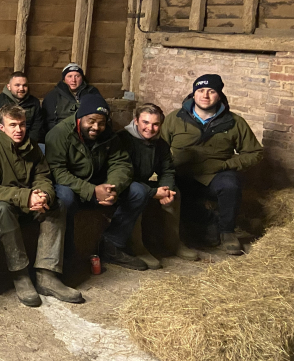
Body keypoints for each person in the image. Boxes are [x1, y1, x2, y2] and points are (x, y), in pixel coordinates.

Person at [0, 104, 83, 307]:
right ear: (2, 127)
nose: (18, 130)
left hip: (31, 201)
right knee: (1, 209)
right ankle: (20, 275)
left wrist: (43, 195)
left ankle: (47, 274)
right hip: (9, 203)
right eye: (12, 125)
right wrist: (25, 196)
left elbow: (43, 176)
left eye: (22, 125)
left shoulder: (33, 147)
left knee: (58, 205)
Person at [45, 94, 149, 270]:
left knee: (139, 191)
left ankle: (111, 245)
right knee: (64, 198)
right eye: (91, 121)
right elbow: (57, 172)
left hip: (99, 184)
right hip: (73, 186)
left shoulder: (108, 133)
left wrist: (112, 187)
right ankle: (67, 255)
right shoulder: (59, 134)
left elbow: (121, 163)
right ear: (80, 117)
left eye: (101, 122)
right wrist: (92, 191)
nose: (96, 127)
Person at [161, 74, 263, 255]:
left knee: (230, 185)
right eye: (200, 91)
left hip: (216, 176)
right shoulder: (174, 119)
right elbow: (159, 147)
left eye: (211, 91)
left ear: (219, 95)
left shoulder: (234, 122)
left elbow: (255, 153)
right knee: (173, 194)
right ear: (193, 94)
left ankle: (227, 232)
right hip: (182, 174)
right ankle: (209, 222)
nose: (205, 95)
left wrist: (225, 165)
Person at [118, 103, 199, 267]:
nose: (150, 128)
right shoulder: (122, 139)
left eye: (155, 124)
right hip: (123, 184)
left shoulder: (160, 143)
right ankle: (137, 247)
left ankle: (172, 242)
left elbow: (167, 169)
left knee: (174, 192)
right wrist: (151, 192)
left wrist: (166, 189)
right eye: (145, 122)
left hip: (141, 182)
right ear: (136, 121)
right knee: (137, 194)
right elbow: (122, 175)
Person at [41, 63, 102, 133]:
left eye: (77, 76)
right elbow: (49, 121)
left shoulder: (92, 92)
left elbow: (100, 112)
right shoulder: (54, 95)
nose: (73, 80)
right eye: (69, 76)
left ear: (82, 78)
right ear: (64, 79)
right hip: (62, 132)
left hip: (87, 131)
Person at [0, 71, 44, 143]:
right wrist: (6, 145)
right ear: (9, 87)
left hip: (27, 143)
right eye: (17, 85)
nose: (21, 88)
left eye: (24, 85)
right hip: (2, 143)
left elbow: (37, 128)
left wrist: (26, 144)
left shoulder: (34, 102)